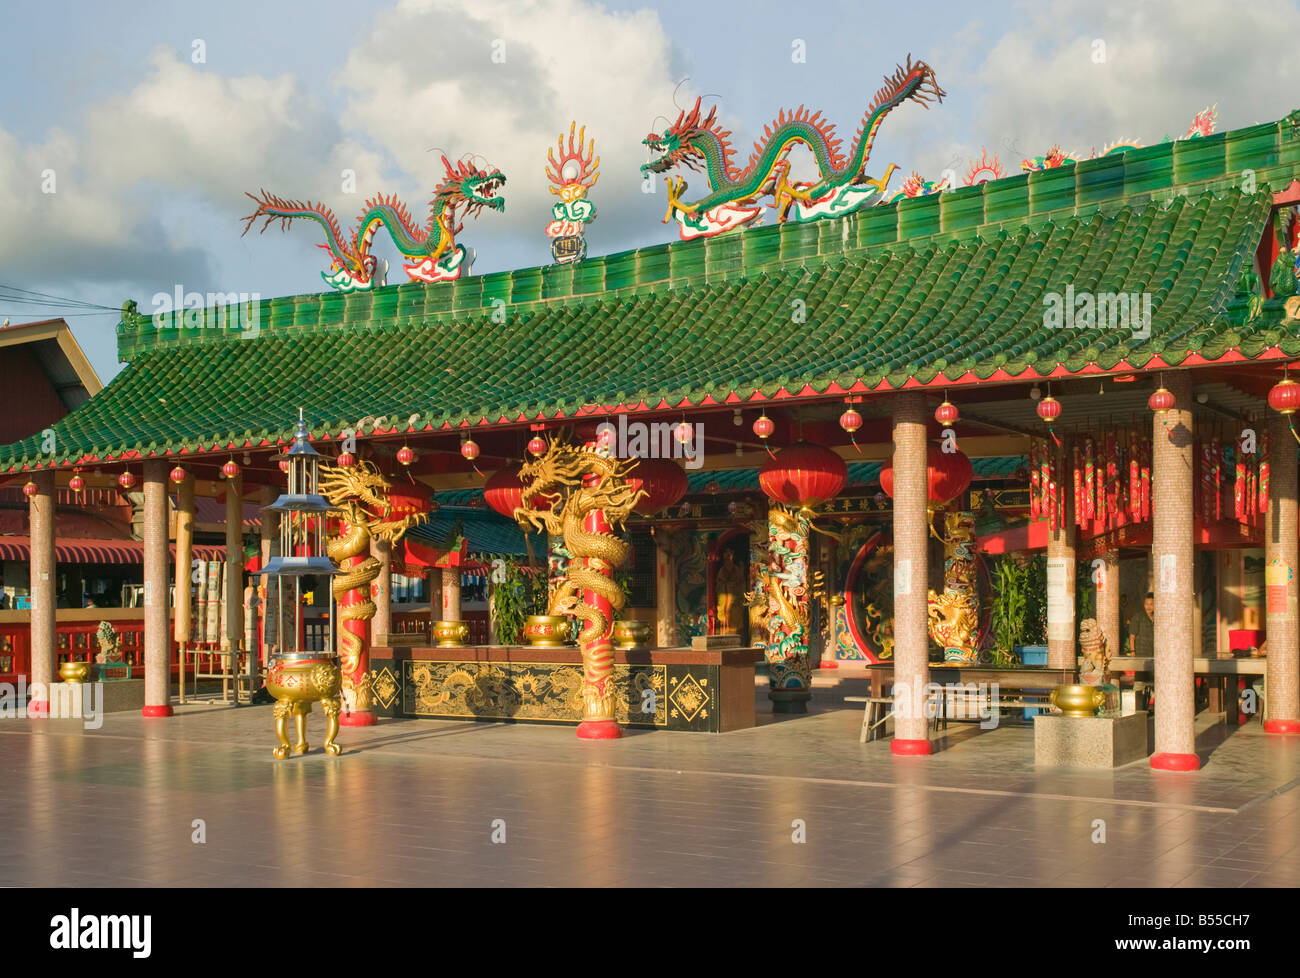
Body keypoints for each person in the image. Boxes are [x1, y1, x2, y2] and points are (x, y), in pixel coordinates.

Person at [1129, 592, 1155, 656]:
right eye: (1146, 604)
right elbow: (1132, 636)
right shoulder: (1138, 617)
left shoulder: (1158, 618)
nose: (1148, 607)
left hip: (1154, 653)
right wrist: (1132, 651)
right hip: (1141, 653)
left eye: (1151, 604)